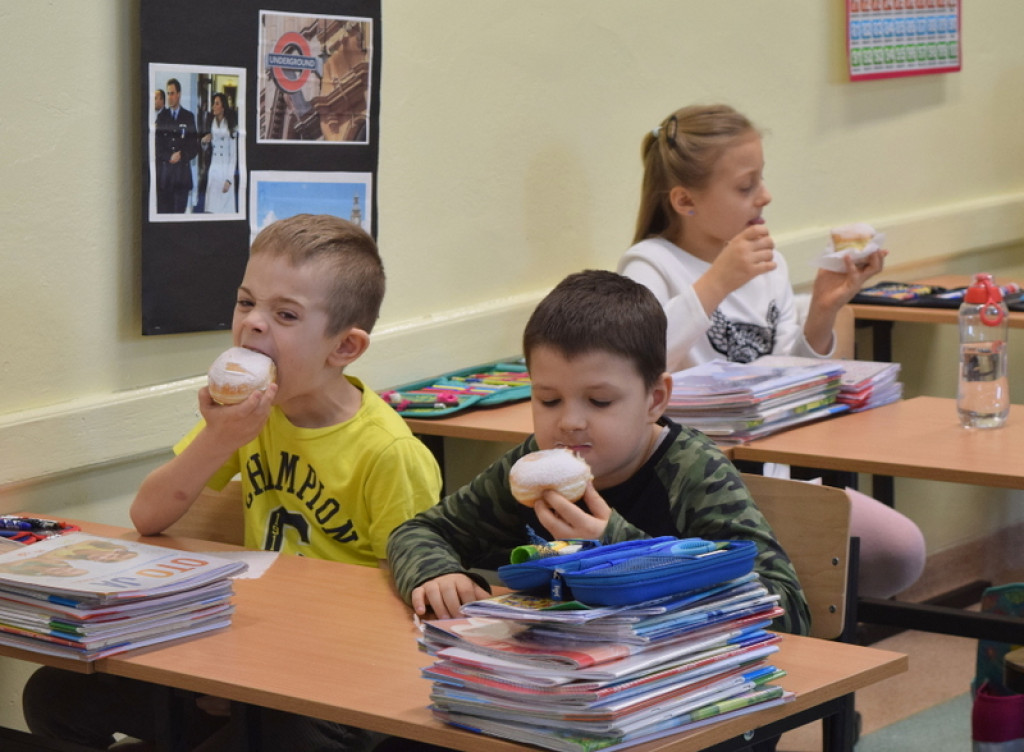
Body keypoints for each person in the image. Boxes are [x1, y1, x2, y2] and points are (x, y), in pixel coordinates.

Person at [23, 214, 443, 752]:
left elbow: (407, 608)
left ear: (344, 348)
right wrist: (218, 439)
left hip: (330, 692)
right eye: (246, 303)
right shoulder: (246, 414)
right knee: (55, 695)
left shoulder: (390, 452)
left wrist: (259, 673)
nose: (254, 325)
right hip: (241, 651)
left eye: (285, 314)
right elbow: (147, 517)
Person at [388, 269, 809, 639]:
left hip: (690, 695)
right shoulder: (534, 465)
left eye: (601, 401)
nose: (570, 422)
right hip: (572, 683)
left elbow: (785, 608)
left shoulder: (694, 473)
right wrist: (436, 572)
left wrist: (617, 548)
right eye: (549, 401)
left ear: (655, 398)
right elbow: (418, 532)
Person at [617, 103, 925, 600]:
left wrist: (822, 311)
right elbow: (634, 365)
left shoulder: (767, 260)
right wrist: (716, 282)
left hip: (775, 477)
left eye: (761, 179)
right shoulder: (647, 267)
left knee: (899, 552)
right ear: (684, 200)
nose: (765, 196)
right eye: (745, 186)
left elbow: (789, 382)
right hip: (692, 491)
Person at [154, 78, 199, 214]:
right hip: (165, 178)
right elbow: (157, 146)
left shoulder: (188, 117)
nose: (169, 97)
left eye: (172, 93)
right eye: (168, 93)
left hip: (181, 177)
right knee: (163, 217)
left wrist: (181, 155)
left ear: (179, 94)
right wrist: (169, 156)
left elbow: (194, 146)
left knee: (178, 219)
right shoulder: (162, 117)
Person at [201, 92, 238, 214]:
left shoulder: (231, 126)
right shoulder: (210, 123)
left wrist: (229, 179)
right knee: (211, 208)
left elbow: (233, 156)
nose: (213, 107)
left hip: (225, 170)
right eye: (213, 104)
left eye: (217, 104)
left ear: (223, 107)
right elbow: (206, 148)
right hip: (214, 168)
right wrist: (204, 141)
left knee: (224, 209)